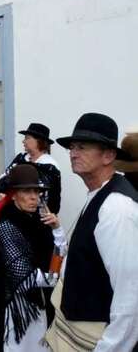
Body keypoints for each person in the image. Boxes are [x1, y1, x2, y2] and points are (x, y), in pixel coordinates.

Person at [45, 113, 138, 351]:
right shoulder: (99, 194)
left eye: (82, 147)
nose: (73, 153)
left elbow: (131, 296)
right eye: (72, 147)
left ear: (108, 155)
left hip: (96, 340)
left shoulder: (117, 207)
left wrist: (110, 348)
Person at [0, 165, 66, 351]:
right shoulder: (7, 225)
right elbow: (25, 275)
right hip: (16, 310)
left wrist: (57, 229)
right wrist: (55, 277)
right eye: (27, 191)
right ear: (13, 195)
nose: (34, 197)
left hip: (39, 305)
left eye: (37, 191)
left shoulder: (39, 221)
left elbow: (59, 252)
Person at [0, 123, 61, 214]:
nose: (23, 141)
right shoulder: (20, 159)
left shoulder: (50, 167)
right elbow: (3, 179)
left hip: (36, 217)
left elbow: (52, 198)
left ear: (39, 141)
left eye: (27, 138)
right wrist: (0, 195)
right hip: (10, 213)